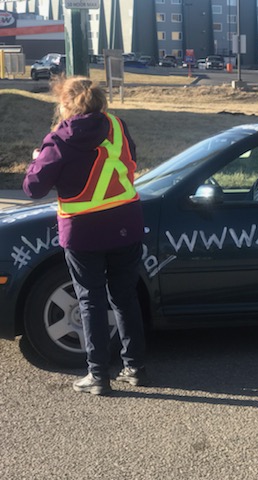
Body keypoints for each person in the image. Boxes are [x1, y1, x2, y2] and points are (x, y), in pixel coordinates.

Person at [23, 76, 146, 395]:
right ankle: (134, 366)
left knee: (90, 299)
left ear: (64, 105)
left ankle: (98, 375)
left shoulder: (59, 140)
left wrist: (37, 161)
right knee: (125, 296)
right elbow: (130, 159)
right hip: (125, 222)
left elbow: (34, 189)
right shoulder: (118, 126)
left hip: (83, 230)